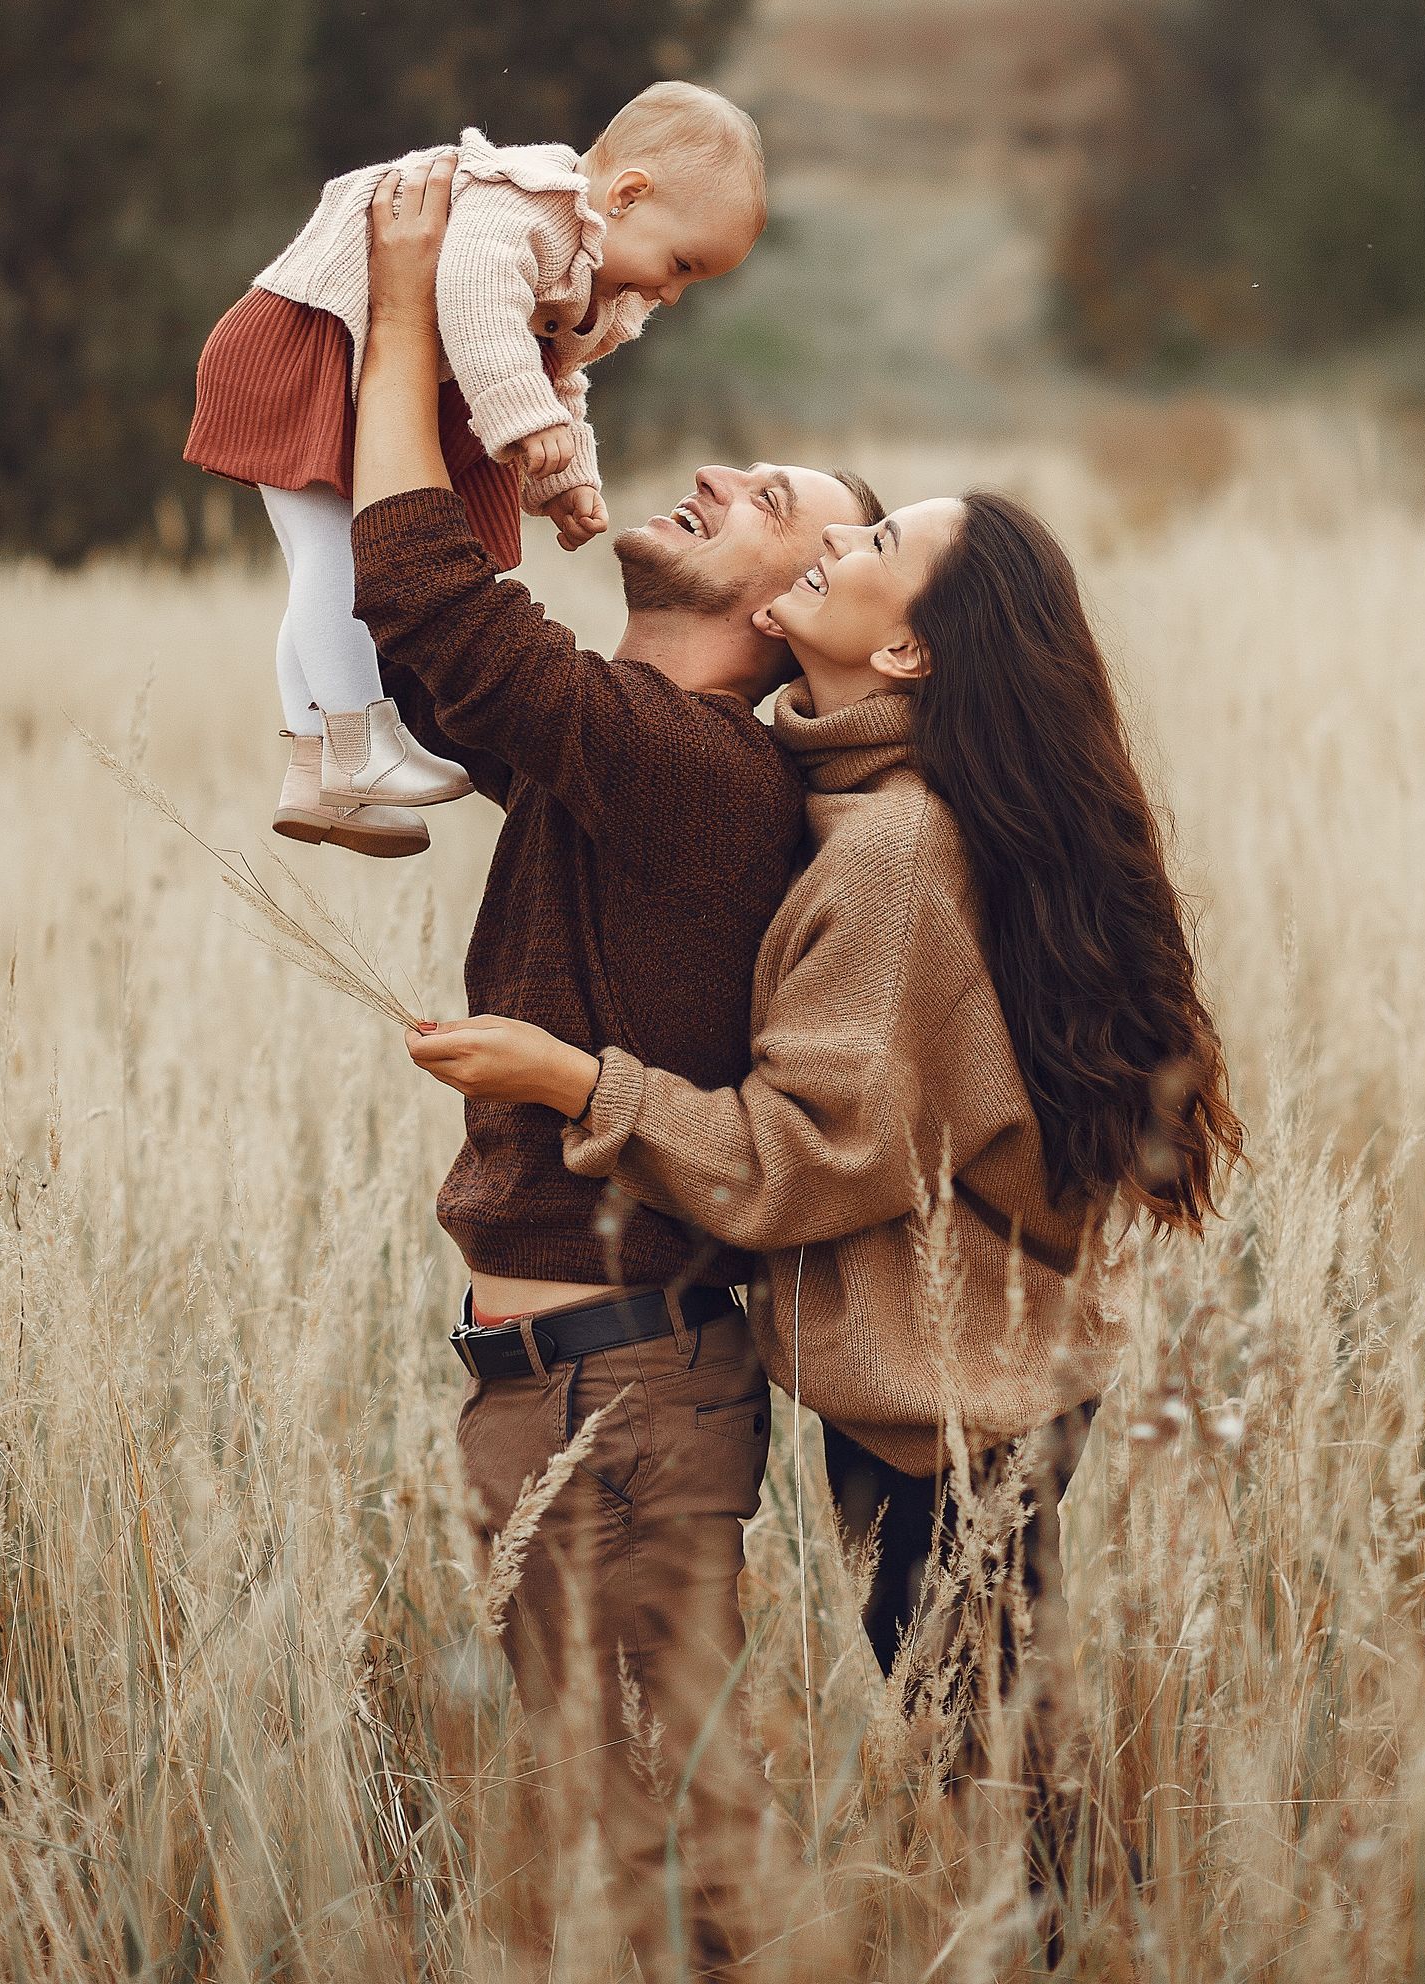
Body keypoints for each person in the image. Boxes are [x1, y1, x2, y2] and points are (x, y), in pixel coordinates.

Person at [406, 480, 1244, 1816]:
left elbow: (805, 1157)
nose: (839, 547)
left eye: (876, 544)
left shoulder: (893, 847)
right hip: (962, 1391)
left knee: (1012, 1802)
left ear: (906, 651)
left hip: (953, 1417)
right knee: (1009, 1774)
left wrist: (569, 1080)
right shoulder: (859, 795)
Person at [351, 151, 883, 1979]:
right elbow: (443, 674)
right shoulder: (635, 748)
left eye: (776, 505)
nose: (723, 473)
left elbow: (437, 613)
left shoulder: (698, 771)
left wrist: (410, 318)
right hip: (546, 1375)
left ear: (799, 602)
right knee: (608, 1843)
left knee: (688, 1855)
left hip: (629, 1393)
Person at [184, 81, 766, 856]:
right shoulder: (528, 205)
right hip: (311, 341)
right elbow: (473, 299)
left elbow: (559, 377)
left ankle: (317, 765)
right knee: (337, 557)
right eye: (681, 263)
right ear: (627, 195)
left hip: (360, 361)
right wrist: (523, 421)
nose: (672, 292)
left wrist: (562, 477)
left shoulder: (597, 274)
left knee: (319, 560)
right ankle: (363, 740)